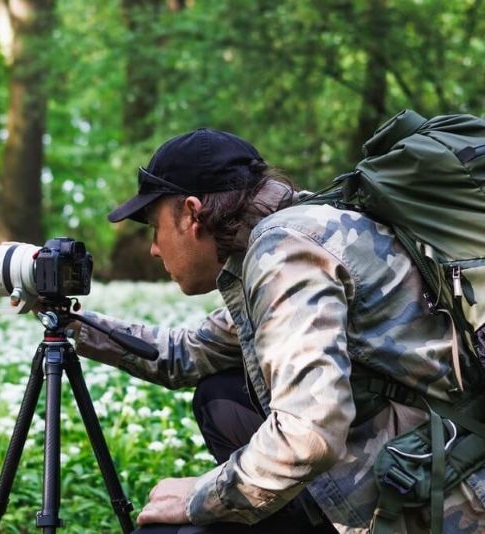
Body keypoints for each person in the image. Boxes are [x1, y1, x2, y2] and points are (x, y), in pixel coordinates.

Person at [69, 128, 485, 533]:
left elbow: (309, 435)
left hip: (447, 497)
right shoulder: (299, 231)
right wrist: (71, 324)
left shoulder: (285, 249)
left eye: (153, 225)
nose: (154, 248)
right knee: (221, 393)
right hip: (435, 453)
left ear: (192, 213)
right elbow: (188, 353)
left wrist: (199, 497)